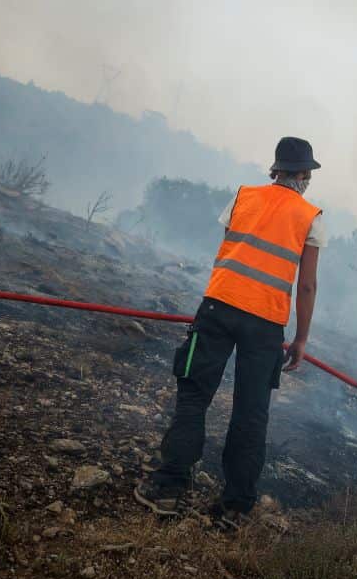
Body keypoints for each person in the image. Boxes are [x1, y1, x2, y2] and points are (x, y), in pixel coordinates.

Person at [135, 136, 323, 522]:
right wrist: (301, 338)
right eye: (308, 174)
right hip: (266, 323)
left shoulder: (243, 197)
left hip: (219, 307)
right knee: (251, 414)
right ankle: (234, 509)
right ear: (304, 175)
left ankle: (168, 489)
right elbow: (306, 286)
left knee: (194, 395)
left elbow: (227, 249)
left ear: (275, 170)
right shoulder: (311, 216)